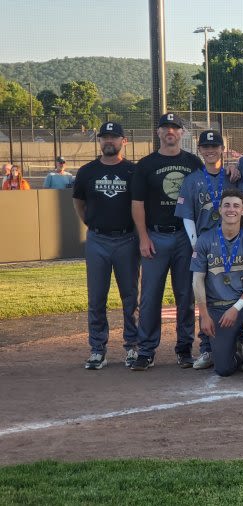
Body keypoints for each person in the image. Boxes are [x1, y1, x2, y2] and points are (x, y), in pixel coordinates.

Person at [130, 113, 204, 371]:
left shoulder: (193, 162)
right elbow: (137, 203)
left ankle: (184, 349)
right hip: (156, 235)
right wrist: (143, 237)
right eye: (165, 128)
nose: (170, 132)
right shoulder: (146, 164)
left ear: (182, 133)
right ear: (158, 133)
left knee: (186, 295)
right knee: (150, 297)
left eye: (175, 128)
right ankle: (147, 350)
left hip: (185, 235)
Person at [190, 188, 243, 385]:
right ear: (219, 209)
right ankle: (237, 349)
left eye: (236, 206)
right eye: (226, 205)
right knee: (224, 370)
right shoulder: (205, 240)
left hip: (241, 305)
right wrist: (204, 315)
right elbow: (197, 281)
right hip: (218, 308)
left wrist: (236, 308)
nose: (231, 209)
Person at [73, 121, 140, 370]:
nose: (108, 141)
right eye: (104, 137)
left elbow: (139, 205)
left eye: (114, 137)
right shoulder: (87, 171)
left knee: (131, 297)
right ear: (99, 141)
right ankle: (97, 349)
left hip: (126, 239)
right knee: (97, 297)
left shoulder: (133, 171)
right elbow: (79, 202)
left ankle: (132, 347)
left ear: (124, 141)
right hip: (98, 239)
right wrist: (90, 223)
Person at [174, 130, 239, 370]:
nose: (210, 150)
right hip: (205, 245)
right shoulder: (192, 180)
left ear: (223, 148)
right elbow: (187, 215)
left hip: (233, 245)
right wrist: (195, 245)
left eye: (215, 146)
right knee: (206, 295)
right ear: (199, 150)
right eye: (205, 147)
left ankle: (239, 343)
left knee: (233, 291)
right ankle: (206, 348)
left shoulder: (233, 176)